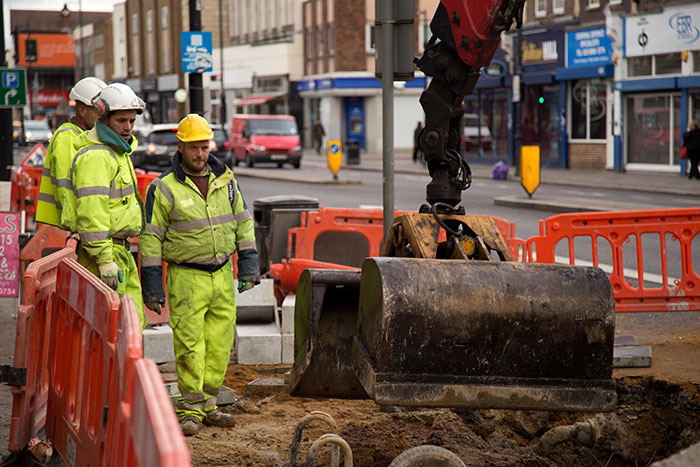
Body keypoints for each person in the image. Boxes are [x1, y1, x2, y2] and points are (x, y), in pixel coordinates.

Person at [140, 114, 259, 436]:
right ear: (180, 147)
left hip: (221, 274)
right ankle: (191, 408)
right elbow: (151, 237)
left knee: (219, 345)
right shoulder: (163, 188)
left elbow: (243, 223)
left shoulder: (226, 180)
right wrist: (151, 286)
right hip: (187, 278)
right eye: (194, 148)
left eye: (204, 147)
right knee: (190, 345)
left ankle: (209, 404)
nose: (200, 154)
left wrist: (249, 265)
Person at [70, 83, 147, 329]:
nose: (128, 128)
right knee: (116, 329)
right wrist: (104, 259)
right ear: (104, 118)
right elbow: (92, 214)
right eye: (121, 120)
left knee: (131, 326)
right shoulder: (97, 156)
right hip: (106, 255)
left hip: (120, 252)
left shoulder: (116, 153)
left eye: (132, 121)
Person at [36, 77, 106, 229]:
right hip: (63, 229)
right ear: (82, 110)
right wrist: (78, 228)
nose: (103, 117)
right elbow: (66, 188)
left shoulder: (87, 136)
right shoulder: (68, 137)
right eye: (98, 111)